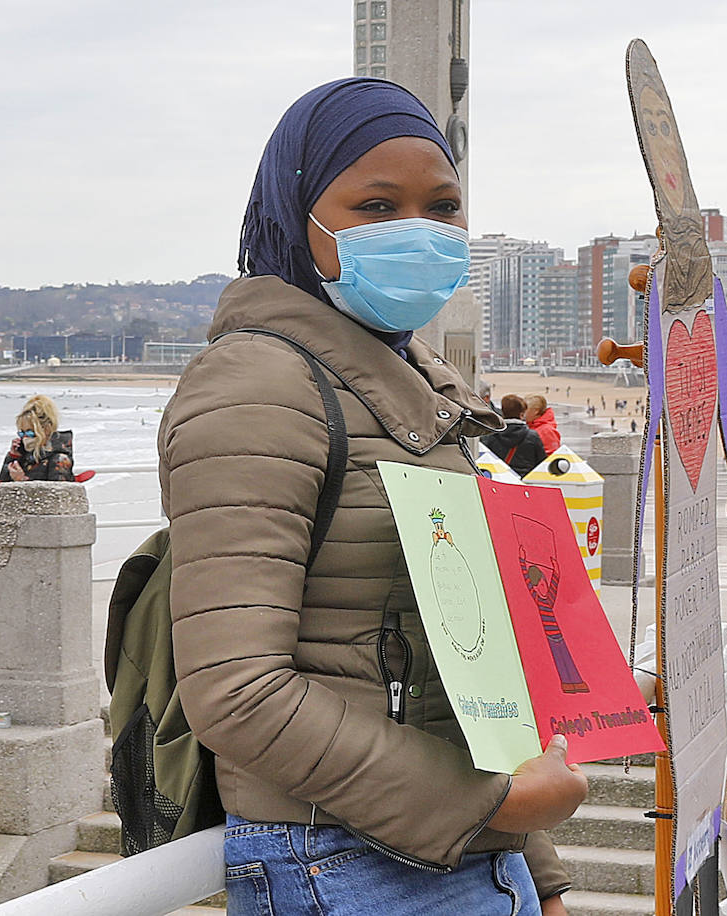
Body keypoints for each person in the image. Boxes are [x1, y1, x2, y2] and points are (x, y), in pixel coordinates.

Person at [157, 79, 583, 916]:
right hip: (337, 860)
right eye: (378, 206)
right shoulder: (256, 383)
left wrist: (537, 868)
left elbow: (464, 663)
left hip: (470, 856)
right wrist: (492, 809)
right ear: (296, 218)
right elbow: (236, 690)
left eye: (443, 206)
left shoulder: (421, 383)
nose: (418, 231)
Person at [0, 394, 74, 482]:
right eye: (21, 433)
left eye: (30, 432)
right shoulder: (25, 455)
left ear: (46, 430)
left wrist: (22, 481)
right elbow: (1, 488)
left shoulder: (59, 459)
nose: (25, 437)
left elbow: (58, 490)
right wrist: (13, 457)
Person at [483, 395, 548, 477]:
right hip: (524, 480)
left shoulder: (491, 435)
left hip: (499, 478)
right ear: (521, 414)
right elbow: (542, 463)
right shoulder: (532, 436)